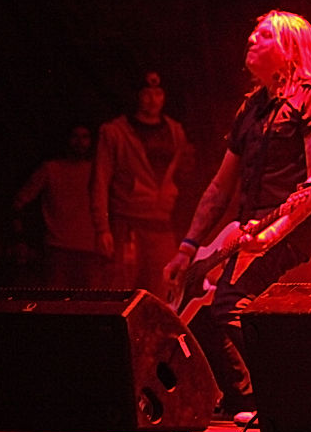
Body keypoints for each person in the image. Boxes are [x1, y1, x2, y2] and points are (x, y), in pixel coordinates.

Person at [163, 10, 311, 419]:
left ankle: (267, 400)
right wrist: (188, 248)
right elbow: (219, 187)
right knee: (196, 297)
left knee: (229, 304)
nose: (250, 40)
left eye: (262, 36)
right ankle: (239, 398)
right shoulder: (251, 108)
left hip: (291, 223)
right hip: (248, 226)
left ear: (289, 48)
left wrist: (272, 233)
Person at [90, 71, 193, 304]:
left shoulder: (175, 131)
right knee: (122, 293)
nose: (152, 99)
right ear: (138, 96)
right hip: (127, 224)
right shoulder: (115, 132)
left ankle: (153, 341)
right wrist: (102, 228)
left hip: (161, 224)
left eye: (158, 94)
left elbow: (182, 175)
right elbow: (100, 180)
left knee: (161, 293)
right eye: (147, 94)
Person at [11, 124, 105, 288]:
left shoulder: (98, 171)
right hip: (58, 250)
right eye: (75, 136)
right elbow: (19, 203)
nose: (80, 142)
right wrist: (21, 238)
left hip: (91, 251)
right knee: (56, 302)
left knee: (90, 304)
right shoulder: (50, 169)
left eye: (85, 137)